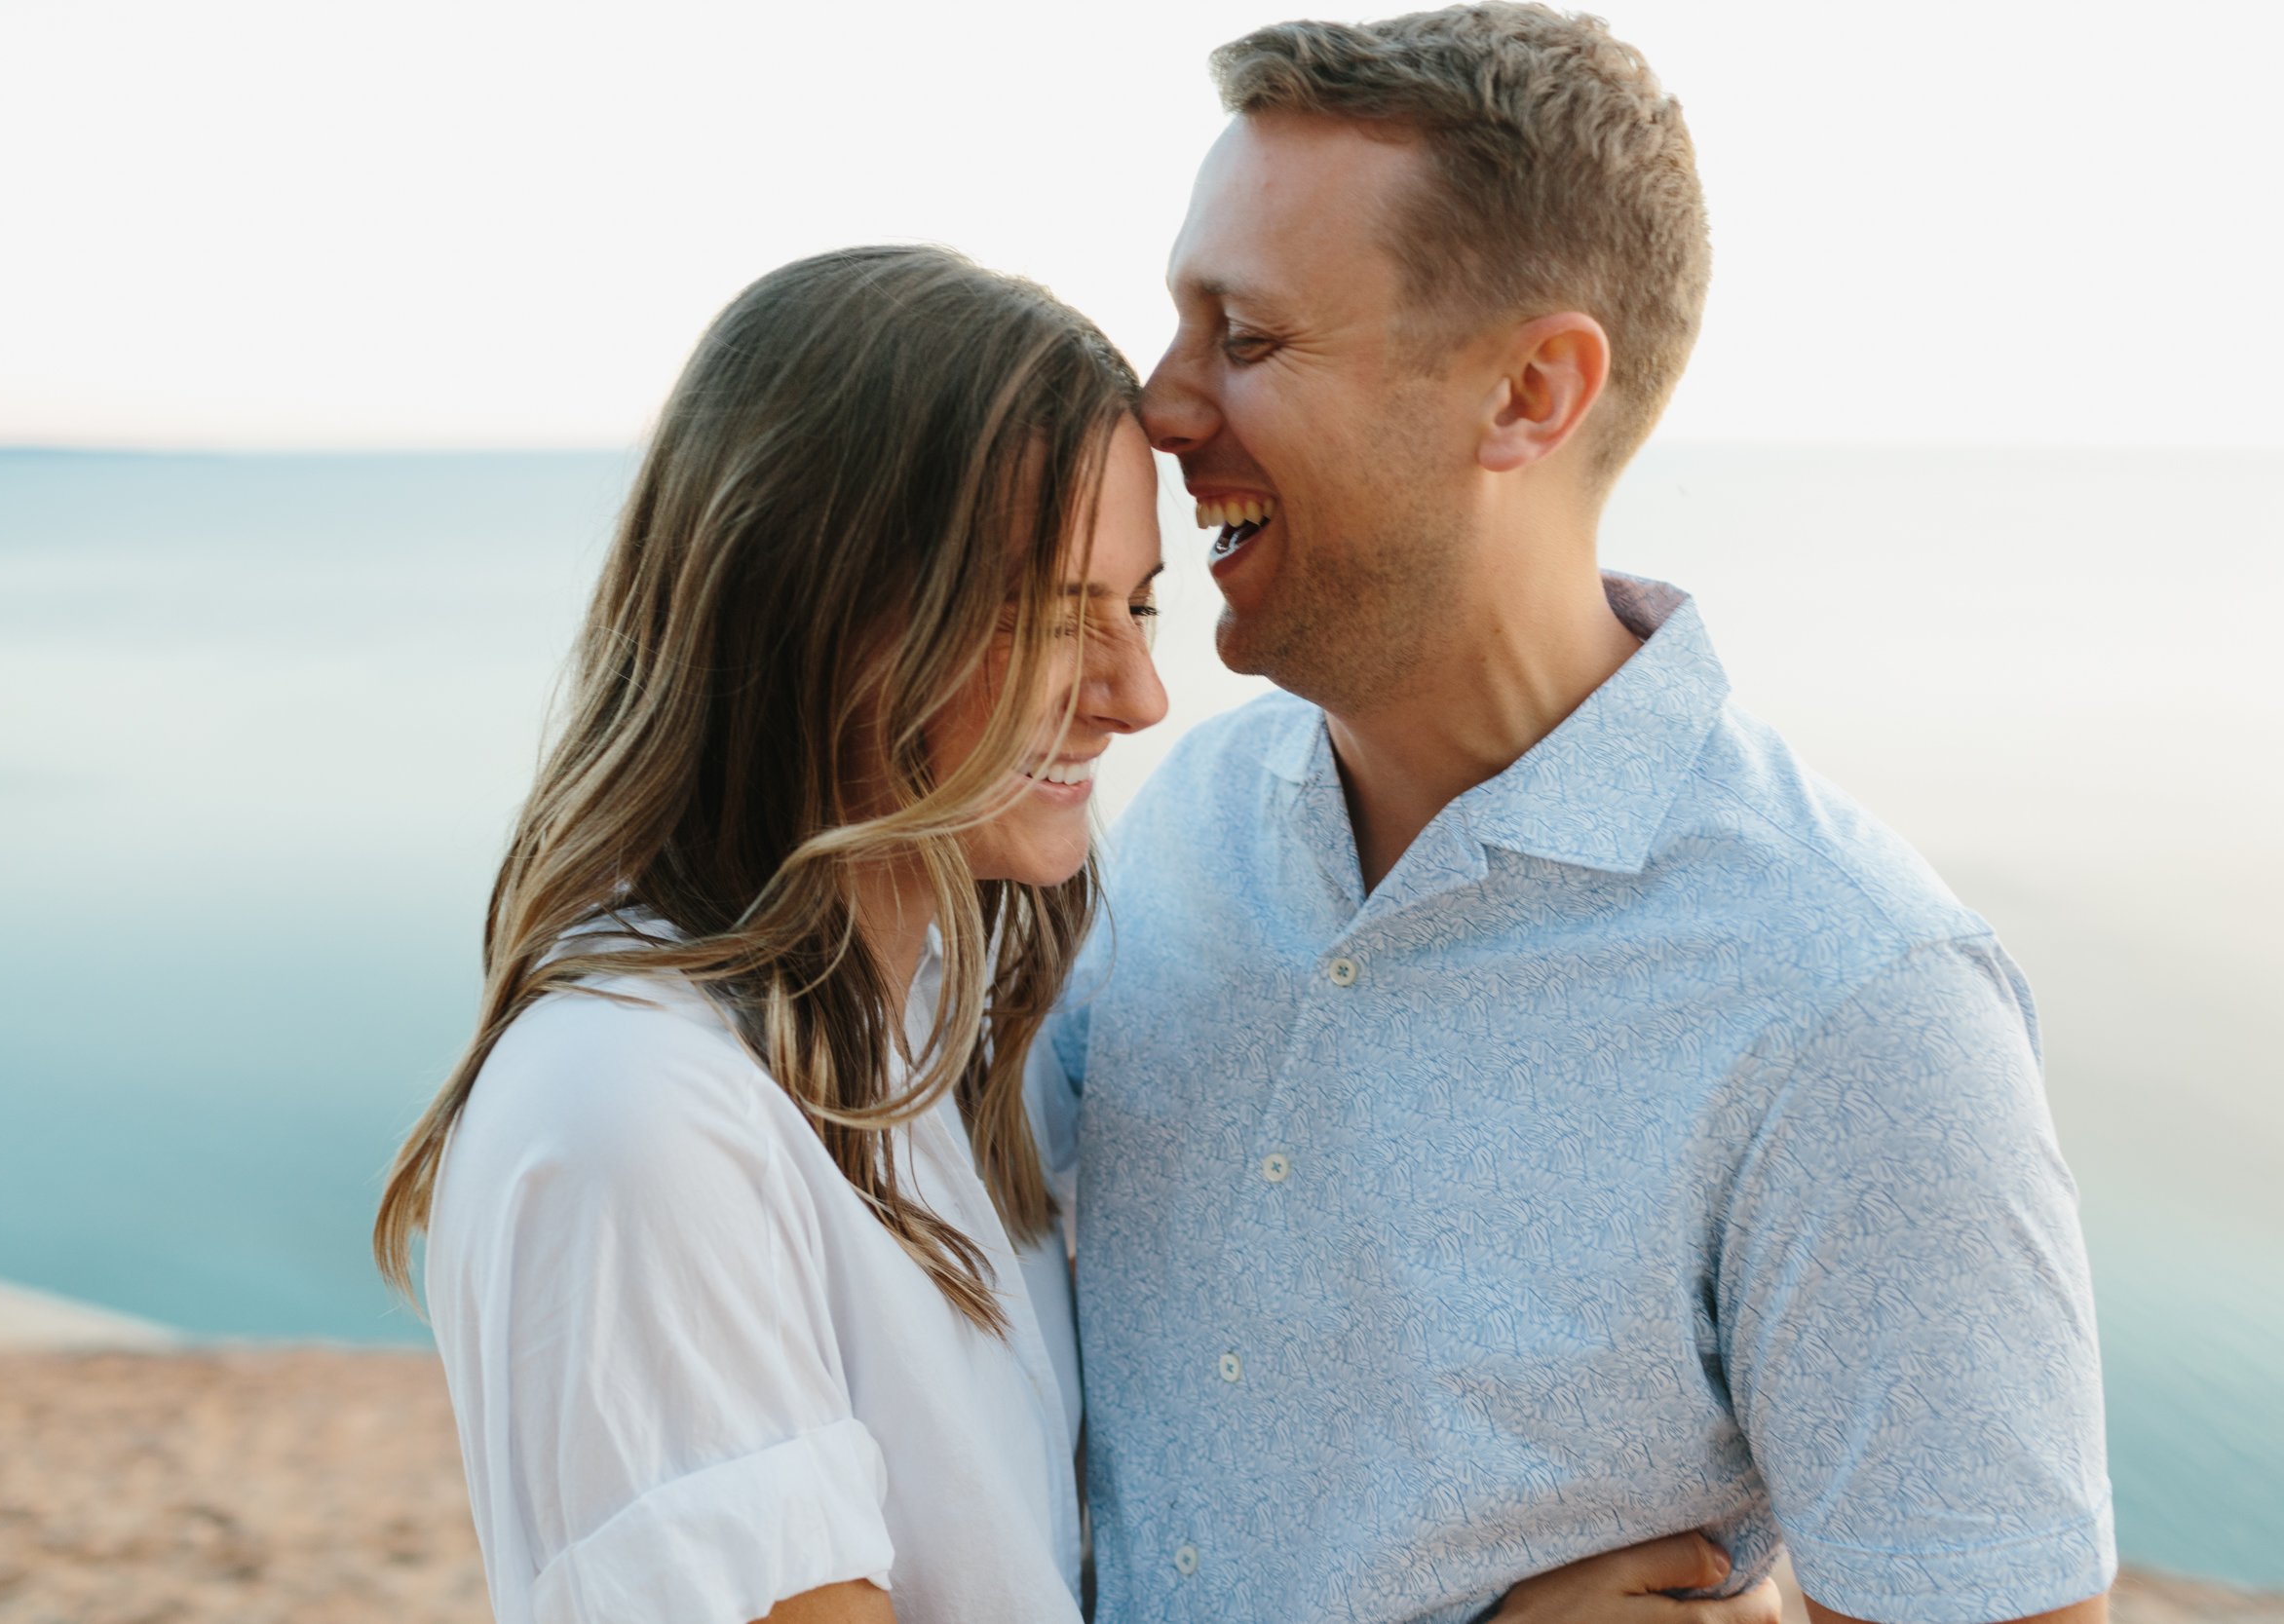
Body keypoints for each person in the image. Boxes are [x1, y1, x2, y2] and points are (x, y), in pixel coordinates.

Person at [373, 245, 1784, 1624]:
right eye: (1049, 619)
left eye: (1141, 604)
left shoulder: (959, 1024)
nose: (1135, 696)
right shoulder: (636, 1119)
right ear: (812, 609)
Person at [1037, 9, 2115, 1624]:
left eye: (1244, 337)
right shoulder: (1185, 817)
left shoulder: (1857, 1014)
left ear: (1532, 393)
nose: (1160, 402)